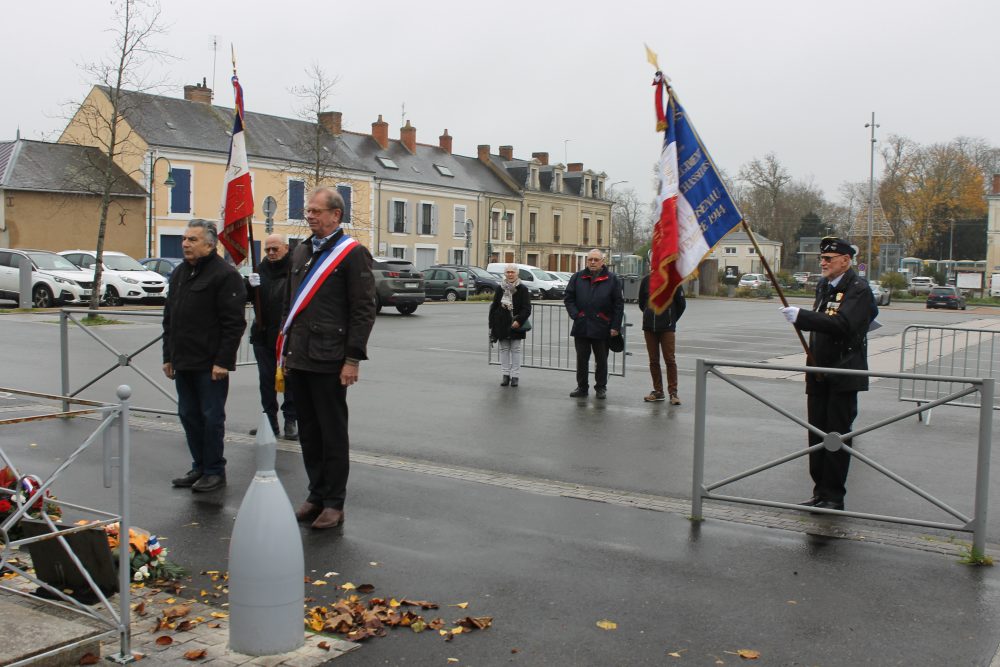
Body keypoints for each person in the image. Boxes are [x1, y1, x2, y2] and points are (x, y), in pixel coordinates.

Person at [281, 187, 376, 530]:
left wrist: (352, 358)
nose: (309, 216)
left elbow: (363, 309)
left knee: (331, 433)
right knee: (309, 432)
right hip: (300, 355)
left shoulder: (352, 254)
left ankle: (334, 502)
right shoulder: (302, 250)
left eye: (316, 211)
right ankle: (316, 493)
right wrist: (285, 350)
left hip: (330, 358)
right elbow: (290, 303)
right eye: (308, 210)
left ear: (336, 215)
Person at [779, 237, 874, 511]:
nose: (823, 263)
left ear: (845, 260)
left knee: (836, 436)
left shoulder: (858, 289)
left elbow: (843, 324)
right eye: (822, 258)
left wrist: (803, 317)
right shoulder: (824, 286)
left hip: (843, 372)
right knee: (816, 435)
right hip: (819, 371)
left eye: (828, 259)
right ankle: (819, 491)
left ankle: (833, 495)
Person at [163, 219, 247, 493]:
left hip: (210, 363)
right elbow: (170, 318)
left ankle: (214, 471)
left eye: (192, 240)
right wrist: (168, 356)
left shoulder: (225, 275)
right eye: (184, 239)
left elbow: (234, 323)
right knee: (188, 415)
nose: (185, 244)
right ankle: (199, 466)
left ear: (210, 245)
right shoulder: (180, 273)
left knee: (211, 418)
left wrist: (223, 361)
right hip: (183, 360)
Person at [246, 234, 297, 441]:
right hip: (263, 335)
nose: (271, 253)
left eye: (275, 249)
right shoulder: (260, 270)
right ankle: (269, 422)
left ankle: (291, 421)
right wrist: (249, 286)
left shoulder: (295, 269)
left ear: (286, 247)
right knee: (266, 382)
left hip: (287, 337)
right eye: (268, 250)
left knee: (289, 381)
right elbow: (247, 297)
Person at [564, 249, 624, 399]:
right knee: (581, 360)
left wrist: (615, 326)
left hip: (602, 326)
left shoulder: (612, 279)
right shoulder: (577, 277)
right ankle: (582, 387)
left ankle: (601, 387)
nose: (592, 262)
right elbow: (569, 298)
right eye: (590, 259)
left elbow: (618, 304)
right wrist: (576, 315)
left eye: (596, 260)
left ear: (602, 262)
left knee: (601, 360)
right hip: (582, 325)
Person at [637, 262, 686, 405]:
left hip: (667, 328)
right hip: (649, 327)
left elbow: (681, 304)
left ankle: (673, 392)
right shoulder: (646, 280)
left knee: (670, 360)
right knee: (653, 360)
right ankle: (658, 391)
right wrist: (648, 314)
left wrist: (671, 319)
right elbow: (642, 303)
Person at [489, 264, 532, 387]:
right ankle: (505, 375)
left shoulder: (522, 289)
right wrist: (492, 325)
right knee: (504, 350)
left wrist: (519, 321)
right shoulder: (500, 288)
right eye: (508, 272)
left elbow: (526, 308)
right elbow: (494, 306)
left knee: (516, 350)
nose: (510, 274)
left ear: (517, 274)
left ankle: (515, 376)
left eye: (512, 272)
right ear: (505, 274)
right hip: (501, 324)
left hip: (516, 323)